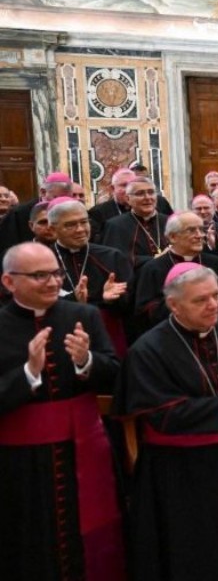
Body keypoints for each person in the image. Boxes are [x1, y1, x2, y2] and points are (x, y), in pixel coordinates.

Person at [118, 263, 218, 580]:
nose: (212, 305)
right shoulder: (147, 349)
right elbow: (160, 415)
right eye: (200, 300)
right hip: (180, 472)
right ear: (174, 305)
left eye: (216, 296)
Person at [0, 242, 125, 580]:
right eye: (40, 276)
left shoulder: (82, 315)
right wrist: (28, 373)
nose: (53, 281)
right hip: (21, 463)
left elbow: (115, 374)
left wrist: (86, 361)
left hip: (84, 447)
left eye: (55, 273)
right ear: (9, 282)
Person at [133, 212, 218, 335]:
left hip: (217, 333)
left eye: (201, 229)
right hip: (172, 335)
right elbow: (145, 312)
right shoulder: (153, 268)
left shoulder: (216, 263)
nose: (199, 235)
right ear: (172, 237)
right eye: (191, 230)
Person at [49, 197, 133, 356]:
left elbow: (129, 306)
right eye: (70, 225)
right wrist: (74, 299)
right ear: (53, 230)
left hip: (106, 337)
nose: (80, 229)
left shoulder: (111, 256)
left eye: (84, 222)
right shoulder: (41, 260)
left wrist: (110, 300)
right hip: (59, 336)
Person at [101, 177, 168, 270]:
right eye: (140, 193)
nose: (147, 197)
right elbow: (115, 259)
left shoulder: (168, 221)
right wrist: (155, 259)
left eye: (151, 192)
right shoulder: (115, 225)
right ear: (128, 199)